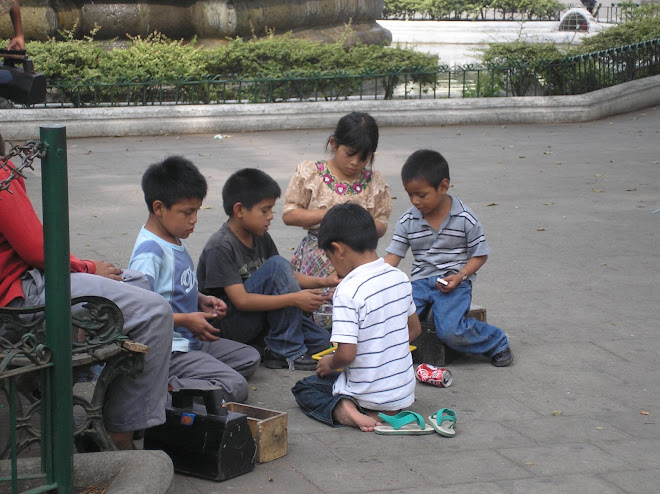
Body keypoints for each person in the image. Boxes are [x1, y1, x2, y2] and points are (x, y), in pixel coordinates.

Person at [0, 134, 174, 450]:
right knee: (155, 310)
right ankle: (120, 432)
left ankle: (94, 394)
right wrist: (89, 267)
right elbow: (39, 250)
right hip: (18, 301)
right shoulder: (0, 174)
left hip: (22, 286)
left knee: (135, 281)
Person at [129, 156, 260, 403]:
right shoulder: (149, 254)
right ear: (159, 208)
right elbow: (140, 314)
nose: (194, 219)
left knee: (249, 357)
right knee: (235, 385)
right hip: (169, 350)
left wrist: (200, 299)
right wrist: (187, 320)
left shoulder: (173, 237)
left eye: (197, 211)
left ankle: (199, 376)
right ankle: (163, 388)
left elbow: (171, 286)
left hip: (191, 340)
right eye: (187, 213)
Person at [291, 203, 421, 431]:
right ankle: (385, 409)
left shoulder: (348, 290)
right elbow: (414, 331)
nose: (333, 268)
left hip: (367, 395)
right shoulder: (399, 277)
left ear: (338, 249)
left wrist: (329, 363)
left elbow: (347, 354)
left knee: (305, 388)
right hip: (402, 395)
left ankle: (345, 410)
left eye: (330, 260)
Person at [384, 149, 514, 367]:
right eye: (410, 194)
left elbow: (480, 255)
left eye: (421, 195)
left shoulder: (465, 218)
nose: (415, 201)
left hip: (454, 282)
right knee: (394, 318)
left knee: (450, 330)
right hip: (419, 283)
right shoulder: (407, 221)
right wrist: (368, 276)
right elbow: (393, 256)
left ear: (443, 187)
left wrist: (461, 275)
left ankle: (496, 341)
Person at [196, 168, 335, 371]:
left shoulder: (260, 234)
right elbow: (241, 301)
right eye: (265, 210)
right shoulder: (221, 246)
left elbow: (286, 276)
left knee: (322, 341)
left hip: (260, 314)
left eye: (271, 210)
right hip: (226, 325)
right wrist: (295, 299)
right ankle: (286, 350)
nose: (270, 216)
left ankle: (267, 346)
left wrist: (326, 282)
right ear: (239, 210)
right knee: (277, 265)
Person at [282, 112, 392, 297]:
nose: (355, 163)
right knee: (317, 303)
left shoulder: (376, 182)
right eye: (349, 154)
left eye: (364, 158)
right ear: (333, 144)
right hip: (318, 252)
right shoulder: (310, 173)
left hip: (359, 256)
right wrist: (331, 215)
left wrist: (359, 226)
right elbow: (289, 214)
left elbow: (382, 222)